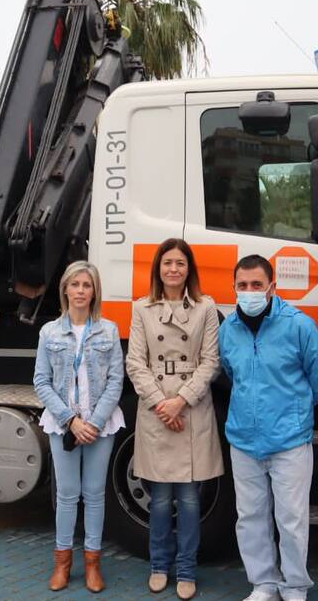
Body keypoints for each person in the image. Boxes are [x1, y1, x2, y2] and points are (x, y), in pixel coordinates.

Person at [220, 255, 318, 601]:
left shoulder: (297, 326)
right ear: (235, 288)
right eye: (243, 286)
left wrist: (295, 411)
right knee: (250, 517)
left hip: (289, 440)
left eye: (257, 285)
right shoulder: (228, 329)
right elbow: (230, 373)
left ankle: (295, 586)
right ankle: (264, 584)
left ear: (272, 287)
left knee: (292, 520)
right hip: (243, 439)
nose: (250, 292)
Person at [126, 238, 224, 601]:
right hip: (156, 411)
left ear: (189, 269)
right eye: (167, 263)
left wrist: (180, 400)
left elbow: (211, 361)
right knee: (160, 500)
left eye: (180, 263)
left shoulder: (205, 308)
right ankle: (158, 566)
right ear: (158, 268)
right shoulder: (142, 309)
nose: (173, 269)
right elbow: (135, 363)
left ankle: (186, 569)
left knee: (191, 500)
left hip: (192, 409)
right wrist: (161, 403)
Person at [33, 260, 126, 593]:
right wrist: (71, 421)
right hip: (64, 425)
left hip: (101, 425)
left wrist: (95, 422)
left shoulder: (109, 331)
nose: (81, 291)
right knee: (68, 496)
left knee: (95, 495)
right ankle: (62, 565)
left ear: (95, 291)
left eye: (87, 285)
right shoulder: (49, 332)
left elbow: (117, 380)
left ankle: (92, 565)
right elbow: (41, 382)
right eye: (75, 285)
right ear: (65, 290)